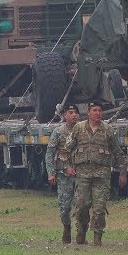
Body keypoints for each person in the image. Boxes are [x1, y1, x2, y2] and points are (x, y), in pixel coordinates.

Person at [60, 101, 128, 246]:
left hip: (101, 175)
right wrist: (67, 166)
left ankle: (97, 237)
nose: (98, 113)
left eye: (100, 111)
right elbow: (66, 150)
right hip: (83, 175)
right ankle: (81, 231)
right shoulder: (79, 129)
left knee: (99, 209)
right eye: (95, 110)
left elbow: (118, 153)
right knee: (82, 207)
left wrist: (123, 173)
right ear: (89, 113)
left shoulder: (107, 130)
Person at [45, 104, 80, 243]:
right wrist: (51, 173)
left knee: (81, 206)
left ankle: (80, 233)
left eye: (76, 112)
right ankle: (66, 227)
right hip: (63, 175)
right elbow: (50, 153)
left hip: (80, 175)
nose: (74, 115)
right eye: (70, 112)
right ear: (65, 115)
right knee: (65, 207)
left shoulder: (82, 131)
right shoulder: (58, 132)